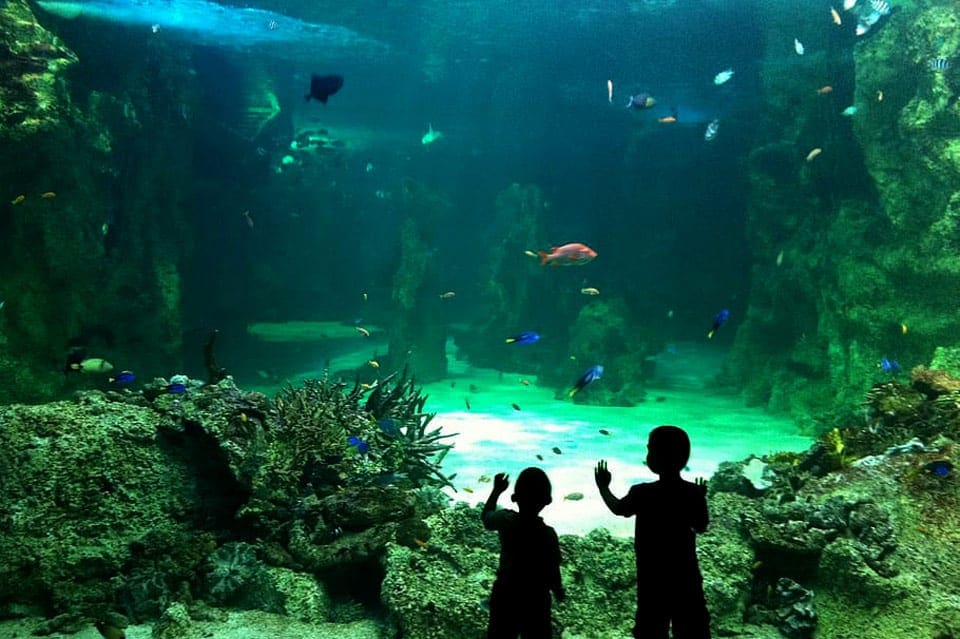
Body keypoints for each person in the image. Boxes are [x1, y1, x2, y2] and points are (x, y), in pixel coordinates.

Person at [594, 425, 711, 639]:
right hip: (685, 577)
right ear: (684, 458)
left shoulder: (642, 493)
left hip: (652, 579)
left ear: (655, 457)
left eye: (650, 450)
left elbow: (619, 509)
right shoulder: (693, 493)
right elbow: (701, 526)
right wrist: (699, 497)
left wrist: (603, 487)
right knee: (693, 628)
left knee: (650, 629)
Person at [482, 467, 565, 639]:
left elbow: (486, 517)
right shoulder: (548, 534)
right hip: (536, 600)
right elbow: (553, 570)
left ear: (514, 497)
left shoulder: (505, 520)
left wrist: (496, 491)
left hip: (505, 595)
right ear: (548, 500)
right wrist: (558, 590)